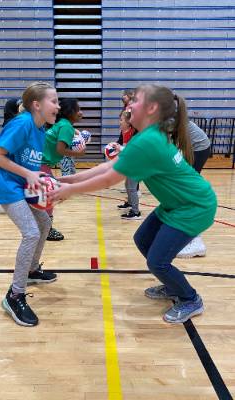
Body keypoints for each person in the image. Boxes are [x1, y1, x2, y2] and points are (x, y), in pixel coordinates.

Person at [48, 84, 217, 324]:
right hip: (176, 204)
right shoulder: (147, 135)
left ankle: (190, 299)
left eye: (134, 100)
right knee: (142, 240)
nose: (128, 105)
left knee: (157, 261)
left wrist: (69, 190)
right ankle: (172, 285)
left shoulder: (150, 141)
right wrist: (68, 180)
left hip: (193, 207)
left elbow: (109, 179)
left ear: (151, 108)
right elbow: (108, 166)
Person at [0, 81, 59, 327]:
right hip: (5, 185)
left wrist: (46, 181)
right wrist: (28, 175)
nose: (58, 106)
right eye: (54, 101)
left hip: (21, 185)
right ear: (36, 105)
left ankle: (32, 270)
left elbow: (32, 166)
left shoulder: (40, 129)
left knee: (45, 223)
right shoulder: (22, 123)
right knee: (31, 233)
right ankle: (14, 295)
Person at [41, 98, 86, 241]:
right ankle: (46, 229)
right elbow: (60, 150)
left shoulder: (63, 124)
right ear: (70, 112)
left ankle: (43, 227)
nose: (81, 112)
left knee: (47, 196)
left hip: (39, 162)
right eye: (78, 109)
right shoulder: (66, 126)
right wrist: (78, 153)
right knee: (51, 197)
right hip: (41, 164)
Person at [176, 121, 211, 258]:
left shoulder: (168, 116)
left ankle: (196, 241)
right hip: (193, 148)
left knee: (188, 191)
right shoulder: (167, 114)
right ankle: (191, 237)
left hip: (199, 148)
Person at [115, 111, 141, 220]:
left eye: (121, 120)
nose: (119, 122)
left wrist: (120, 148)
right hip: (130, 163)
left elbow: (132, 150)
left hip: (137, 163)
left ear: (129, 122)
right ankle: (130, 203)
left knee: (132, 187)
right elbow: (121, 145)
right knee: (128, 185)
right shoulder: (124, 132)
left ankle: (135, 212)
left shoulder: (134, 133)